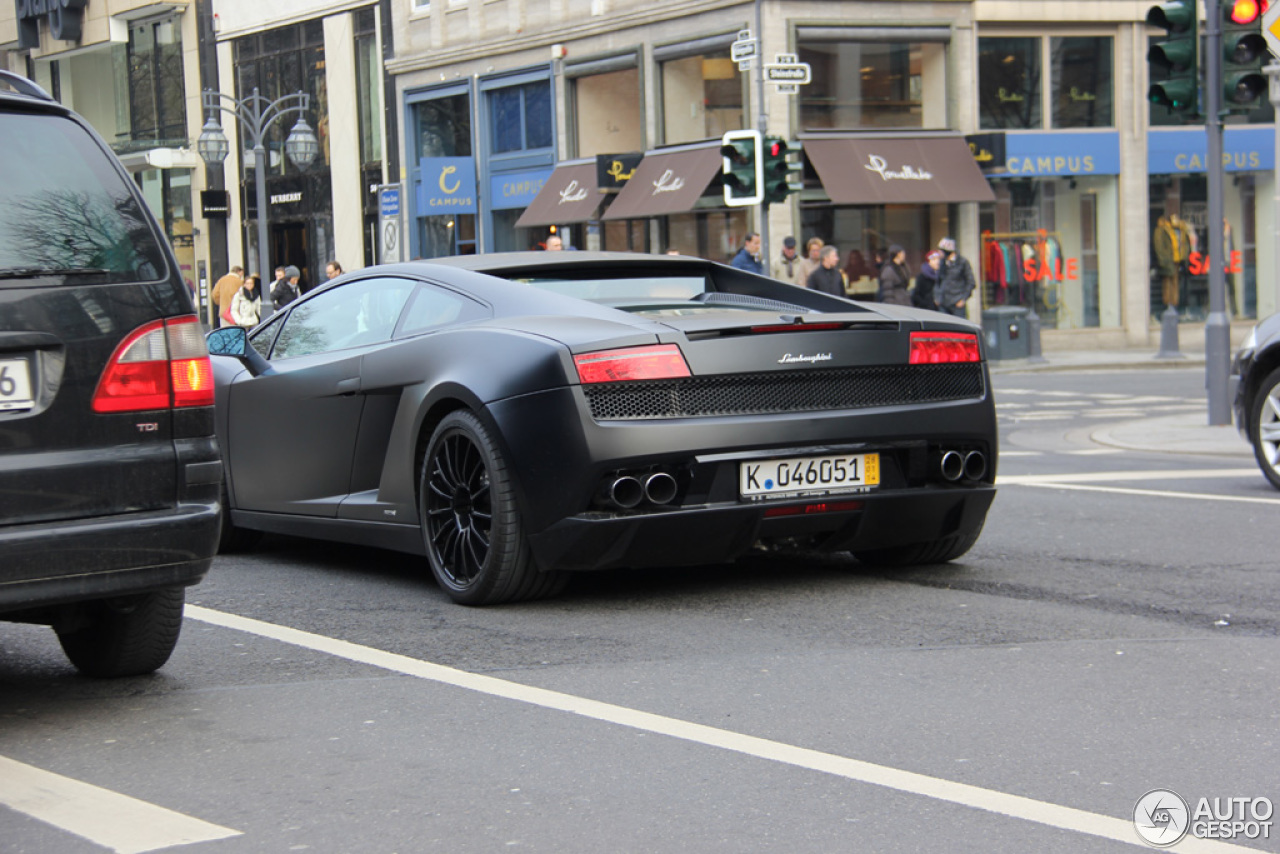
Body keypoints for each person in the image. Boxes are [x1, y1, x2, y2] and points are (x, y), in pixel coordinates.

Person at [936, 237, 976, 317]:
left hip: (957, 303)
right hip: (943, 304)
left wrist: (963, 299)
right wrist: (937, 298)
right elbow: (938, 281)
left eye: (941, 251)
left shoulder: (962, 262)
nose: (939, 253)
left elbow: (971, 282)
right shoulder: (942, 263)